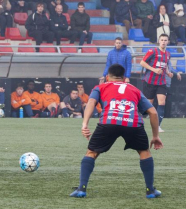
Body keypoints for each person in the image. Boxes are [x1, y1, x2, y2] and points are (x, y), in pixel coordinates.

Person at [69, 64, 163, 199]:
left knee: (92, 152)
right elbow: (153, 112)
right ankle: (150, 191)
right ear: (124, 78)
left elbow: (91, 102)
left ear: (107, 77)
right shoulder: (134, 89)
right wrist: (155, 136)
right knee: (144, 152)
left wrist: (85, 124)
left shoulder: (100, 87)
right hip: (133, 124)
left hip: (109, 122)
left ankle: (81, 189)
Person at [140, 34, 172, 133]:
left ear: (168, 42)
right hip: (150, 81)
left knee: (162, 102)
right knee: (149, 105)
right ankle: (139, 122)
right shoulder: (152, 51)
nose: (163, 41)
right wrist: (154, 69)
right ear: (159, 41)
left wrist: (168, 72)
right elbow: (142, 63)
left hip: (161, 81)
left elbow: (165, 65)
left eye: (165, 40)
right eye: (162, 40)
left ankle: (157, 126)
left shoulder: (167, 54)